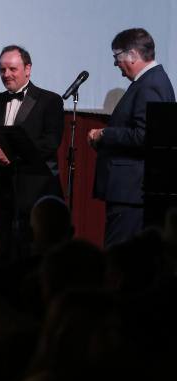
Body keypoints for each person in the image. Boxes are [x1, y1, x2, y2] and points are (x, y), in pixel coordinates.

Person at [0, 45, 64, 264]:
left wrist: (13, 155)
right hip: (2, 191)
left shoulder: (50, 101)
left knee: (33, 255)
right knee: (4, 254)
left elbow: (50, 143)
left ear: (28, 69)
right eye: (2, 70)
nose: (6, 75)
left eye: (12, 69)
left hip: (34, 191)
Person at [88, 28, 175, 247]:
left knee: (120, 258)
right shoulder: (150, 82)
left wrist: (104, 134)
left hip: (131, 192)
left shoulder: (150, 85)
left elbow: (145, 136)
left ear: (134, 55)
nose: (116, 64)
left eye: (117, 57)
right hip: (131, 192)